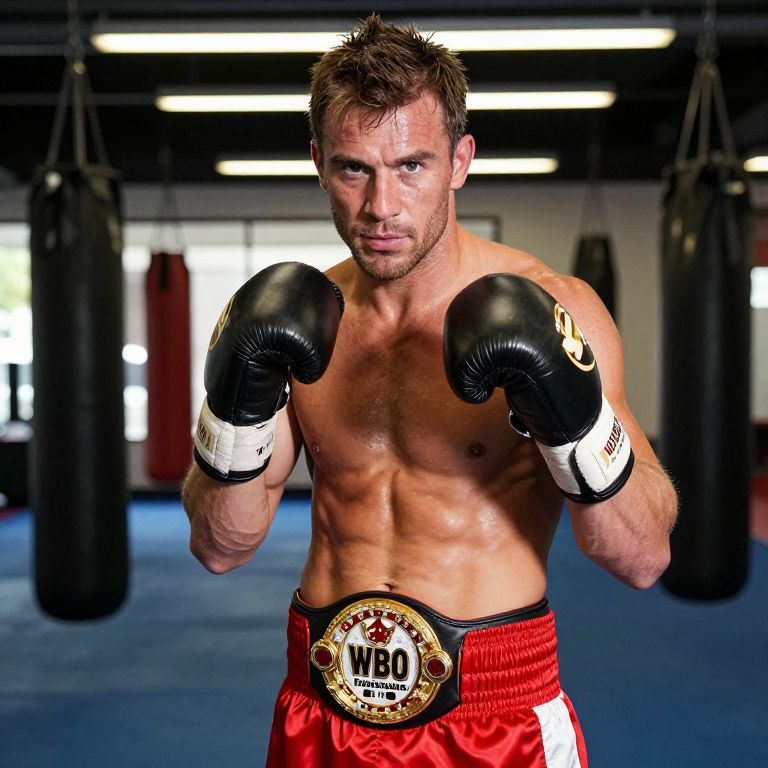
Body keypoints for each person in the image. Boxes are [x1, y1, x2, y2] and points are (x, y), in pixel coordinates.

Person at [182, 14, 678, 767]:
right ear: (318, 162)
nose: (381, 207)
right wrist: (234, 411)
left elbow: (642, 557)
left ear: (460, 160)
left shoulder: (558, 309)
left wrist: (576, 429)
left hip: (493, 715)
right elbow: (222, 546)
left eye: (411, 165)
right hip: (322, 705)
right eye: (354, 169)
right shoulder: (294, 322)